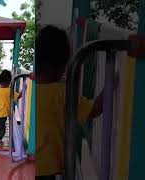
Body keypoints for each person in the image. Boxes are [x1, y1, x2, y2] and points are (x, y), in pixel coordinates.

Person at [36, 25, 118, 179]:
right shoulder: (62, 92)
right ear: (63, 64)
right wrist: (111, 82)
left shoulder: (28, 89)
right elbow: (95, 109)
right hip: (48, 167)